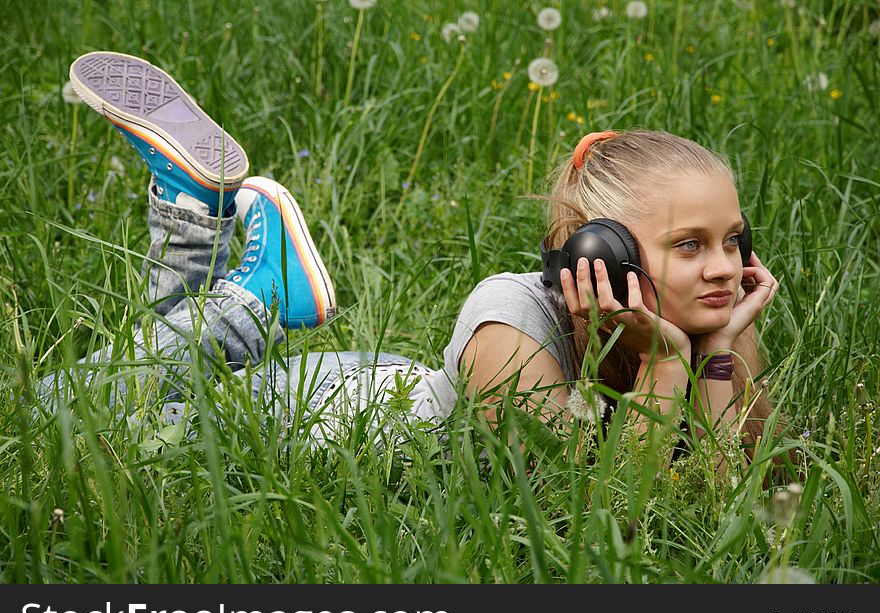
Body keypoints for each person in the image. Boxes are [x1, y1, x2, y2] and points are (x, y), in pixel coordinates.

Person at [41, 51, 783, 471]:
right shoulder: (512, 322)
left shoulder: (704, 327)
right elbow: (606, 512)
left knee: (124, 386)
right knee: (61, 409)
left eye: (732, 241)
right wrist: (661, 365)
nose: (724, 267)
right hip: (309, 415)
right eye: (689, 245)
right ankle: (255, 295)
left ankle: (192, 208)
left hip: (386, 380)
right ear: (600, 252)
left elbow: (720, 497)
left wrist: (716, 351)